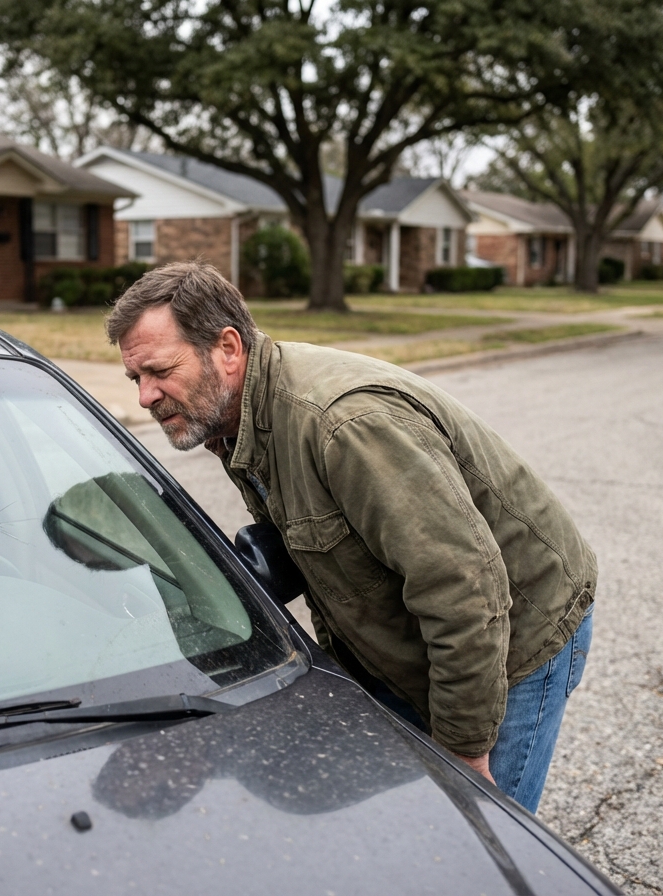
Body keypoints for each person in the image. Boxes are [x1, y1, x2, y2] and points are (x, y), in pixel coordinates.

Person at [107, 261, 596, 813]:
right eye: (135, 379)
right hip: (418, 640)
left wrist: (465, 750)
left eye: (159, 371)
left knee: (482, 840)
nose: (146, 397)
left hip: (510, 642)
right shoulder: (232, 418)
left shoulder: (344, 424)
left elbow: (463, 590)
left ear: (227, 348)